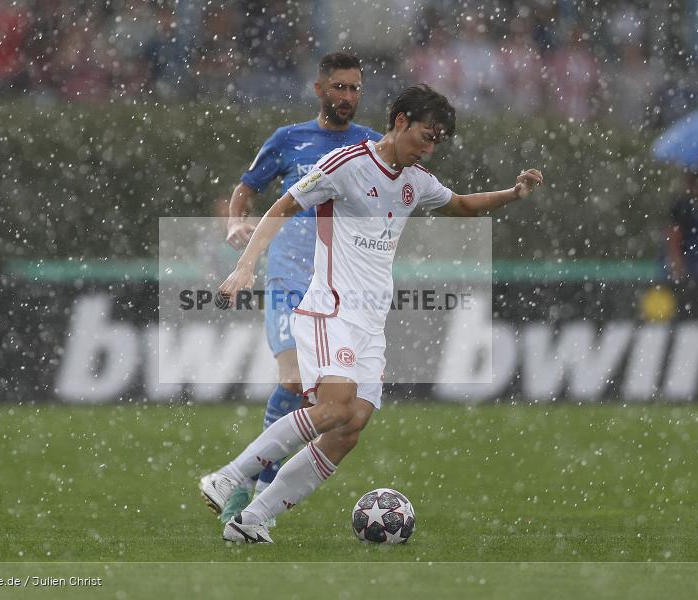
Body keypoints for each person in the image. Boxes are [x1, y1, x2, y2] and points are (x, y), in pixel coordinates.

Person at [201, 84, 543, 543]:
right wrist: (245, 268)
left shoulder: (415, 180)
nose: (430, 147)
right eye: (426, 135)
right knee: (333, 409)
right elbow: (283, 207)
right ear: (400, 121)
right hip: (330, 309)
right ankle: (229, 476)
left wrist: (512, 193)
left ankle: (254, 518)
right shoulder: (346, 164)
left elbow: (460, 205)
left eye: (437, 140)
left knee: (350, 427)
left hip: (370, 322)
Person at [218, 52, 382, 524]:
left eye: (355, 89)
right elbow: (247, 188)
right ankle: (252, 484)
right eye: (340, 88)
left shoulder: (371, 146)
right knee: (292, 381)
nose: (348, 97)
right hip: (290, 277)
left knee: (321, 400)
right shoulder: (288, 140)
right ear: (319, 89)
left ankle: (250, 484)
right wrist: (235, 222)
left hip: (340, 287)